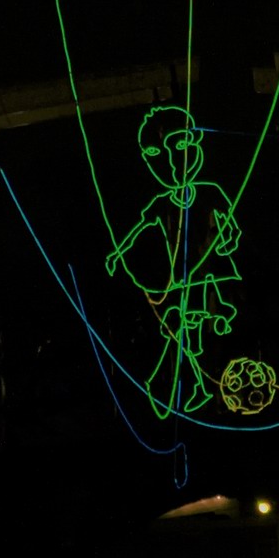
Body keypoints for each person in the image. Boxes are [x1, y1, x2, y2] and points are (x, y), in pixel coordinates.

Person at [106, 105, 242, 416]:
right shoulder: (162, 203)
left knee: (192, 329)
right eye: (156, 152)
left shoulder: (209, 192)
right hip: (181, 278)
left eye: (180, 145)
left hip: (209, 277)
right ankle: (198, 387)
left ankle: (201, 387)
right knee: (181, 329)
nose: (170, 161)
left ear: (195, 144)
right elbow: (138, 229)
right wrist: (117, 254)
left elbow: (232, 228)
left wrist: (228, 240)